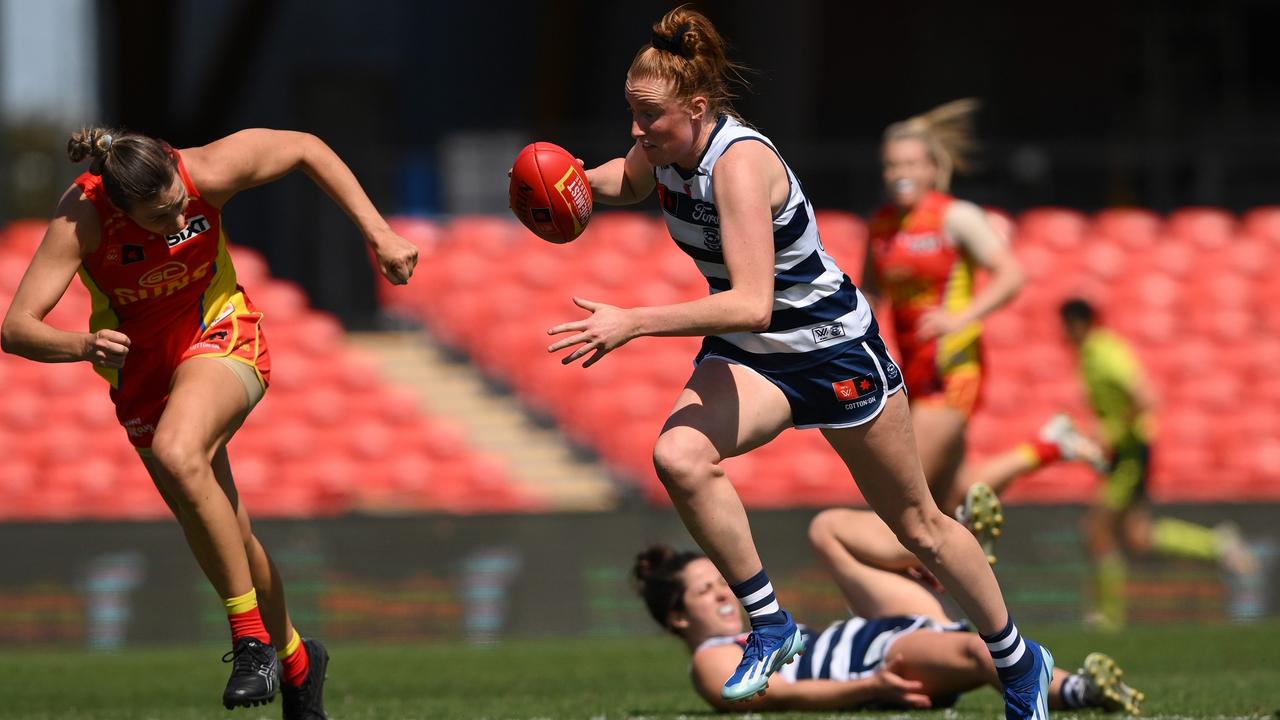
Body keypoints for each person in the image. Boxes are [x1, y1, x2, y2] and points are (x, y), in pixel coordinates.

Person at [548, 8, 1054, 715]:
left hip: (831, 352)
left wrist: (633, 322)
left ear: (696, 108)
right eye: (630, 115)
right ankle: (771, 623)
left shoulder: (740, 166)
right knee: (681, 458)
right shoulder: (665, 152)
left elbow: (753, 302)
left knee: (919, 527)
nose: (635, 131)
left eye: (648, 117)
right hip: (757, 358)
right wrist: (564, 182)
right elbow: (625, 181)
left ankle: (1017, 657)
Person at [1, 126, 417, 717]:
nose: (176, 223)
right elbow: (17, 328)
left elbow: (307, 148)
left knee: (177, 449)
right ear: (119, 208)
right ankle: (299, 664)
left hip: (219, 334)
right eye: (158, 217)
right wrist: (83, 345)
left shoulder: (205, 171)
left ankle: (250, 642)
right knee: (230, 533)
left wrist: (378, 234)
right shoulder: (83, 219)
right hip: (144, 377)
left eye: (179, 206)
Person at [863, 100, 1105, 560]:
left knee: (902, 500)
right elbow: (871, 288)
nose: (900, 172)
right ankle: (1050, 444)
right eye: (892, 164)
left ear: (934, 168)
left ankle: (915, 598)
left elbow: (1011, 274)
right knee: (951, 494)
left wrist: (960, 318)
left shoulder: (955, 217)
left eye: (911, 162)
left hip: (952, 370)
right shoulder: (882, 225)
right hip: (912, 371)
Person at [631, 508, 1143, 714]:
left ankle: (940, 543)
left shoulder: (762, 629)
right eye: (708, 591)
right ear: (678, 618)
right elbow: (776, 698)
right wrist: (871, 686)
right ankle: (1081, 690)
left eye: (724, 584)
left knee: (826, 529)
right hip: (879, 658)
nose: (727, 594)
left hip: (876, 628)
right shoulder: (711, 658)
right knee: (977, 648)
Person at [1059, 298, 1258, 629]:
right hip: (1124, 453)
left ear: (1078, 324)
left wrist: (1112, 432)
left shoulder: (1105, 353)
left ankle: (1108, 617)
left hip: (1131, 453)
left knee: (1097, 529)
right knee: (1138, 536)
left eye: (1065, 326)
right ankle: (1218, 546)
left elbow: (1146, 398)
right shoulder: (1088, 355)